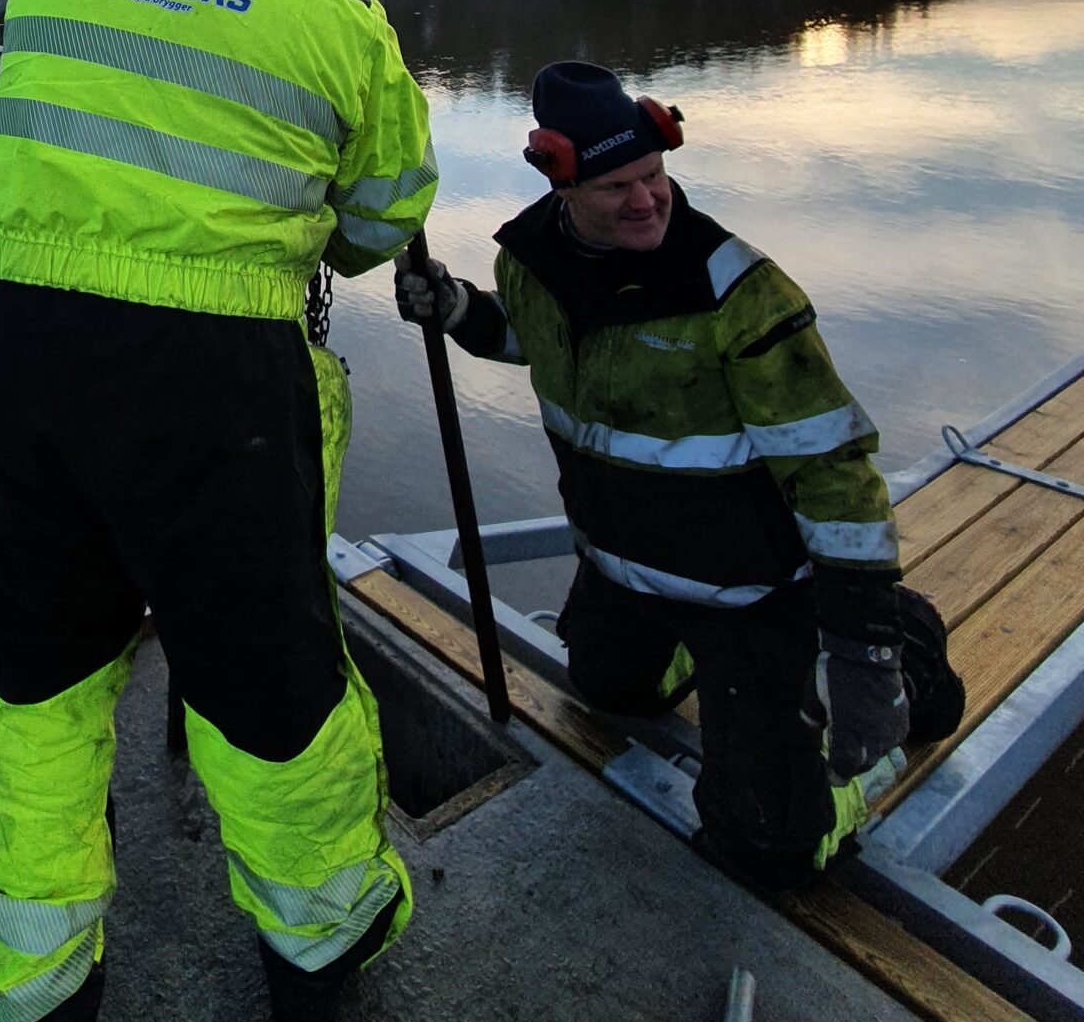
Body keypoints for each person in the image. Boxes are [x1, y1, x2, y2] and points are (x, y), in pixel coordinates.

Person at [0, 0, 440, 1022]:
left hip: (18, 354)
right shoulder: (340, 18)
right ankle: (314, 957)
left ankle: (27, 1010)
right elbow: (385, 216)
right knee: (269, 681)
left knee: (28, 676)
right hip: (215, 381)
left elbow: (115, 15)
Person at [398, 60, 963, 890]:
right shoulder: (532, 260)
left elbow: (833, 471)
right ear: (562, 185)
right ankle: (715, 675)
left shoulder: (737, 291)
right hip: (627, 567)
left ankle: (898, 663)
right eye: (617, 186)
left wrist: (863, 647)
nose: (647, 200)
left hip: (749, 588)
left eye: (655, 176)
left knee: (769, 845)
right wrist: (461, 312)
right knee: (603, 687)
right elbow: (541, 341)